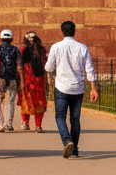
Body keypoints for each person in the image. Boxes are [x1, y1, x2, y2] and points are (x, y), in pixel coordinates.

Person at [44, 20, 98, 159]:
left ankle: (67, 141)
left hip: (61, 87)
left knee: (60, 117)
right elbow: (90, 68)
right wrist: (93, 87)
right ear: (74, 31)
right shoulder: (82, 47)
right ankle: (74, 148)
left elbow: (48, 68)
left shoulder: (56, 47)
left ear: (62, 31)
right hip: (78, 88)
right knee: (75, 119)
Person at [19, 32, 48, 132]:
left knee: (37, 103)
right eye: (29, 38)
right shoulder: (25, 50)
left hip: (37, 79)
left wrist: (46, 80)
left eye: (32, 38)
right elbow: (21, 66)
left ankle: (36, 125)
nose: (31, 40)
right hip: (29, 79)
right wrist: (22, 81)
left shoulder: (40, 50)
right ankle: (28, 123)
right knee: (28, 102)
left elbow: (45, 65)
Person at [0, 29, 22, 132]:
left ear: (1, 38)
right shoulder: (15, 50)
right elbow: (19, 66)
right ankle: (9, 124)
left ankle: (0, 122)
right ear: (11, 39)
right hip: (12, 78)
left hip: (1, 77)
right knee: (11, 101)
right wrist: (21, 80)